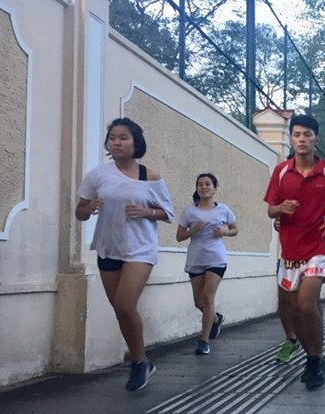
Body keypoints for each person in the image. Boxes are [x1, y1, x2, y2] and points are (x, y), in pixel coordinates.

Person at [75, 117, 174, 392]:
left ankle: (138, 362)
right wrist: (89, 207)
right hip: (108, 247)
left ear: (136, 142)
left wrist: (146, 212)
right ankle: (142, 360)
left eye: (123, 137)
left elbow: (168, 213)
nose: (116, 142)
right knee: (120, 311)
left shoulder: (149, 176)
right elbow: (79, 212)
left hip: (140, 249)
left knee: (124, 305)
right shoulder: (97, 175)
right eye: (112, 138)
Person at [264, 114, 325, 390]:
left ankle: (314, 360)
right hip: (289, 249)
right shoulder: (280, 171)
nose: (302, 139)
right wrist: (281, 210)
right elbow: (270, 209)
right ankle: (313, 355)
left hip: (319, 246)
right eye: (297, 134)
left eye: (307, 135)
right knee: (293, 308)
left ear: (316, 139)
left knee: (305, 303)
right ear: (291, 139)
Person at [176, 173, 238, 355]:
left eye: (207, 184)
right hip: (196, 259)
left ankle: (204, 341)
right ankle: (216, 319)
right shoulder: (189, 211)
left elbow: (235, 229)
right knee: (199, 302)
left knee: (208, 298)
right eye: (200, 184)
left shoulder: (223, 210)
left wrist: (225, 231)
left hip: (216, 258)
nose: (204, 187)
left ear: (215, 188)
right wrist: (193, 230)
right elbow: (179, 236)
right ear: (197, 188)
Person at [273, 217, 301, 364]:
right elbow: (275, 213)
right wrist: (277, 223)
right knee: (284, 300)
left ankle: (315, 353)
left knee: (306, 302)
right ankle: (291, 339)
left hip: (314, 254)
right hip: (287, 256)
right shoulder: (286, 195)